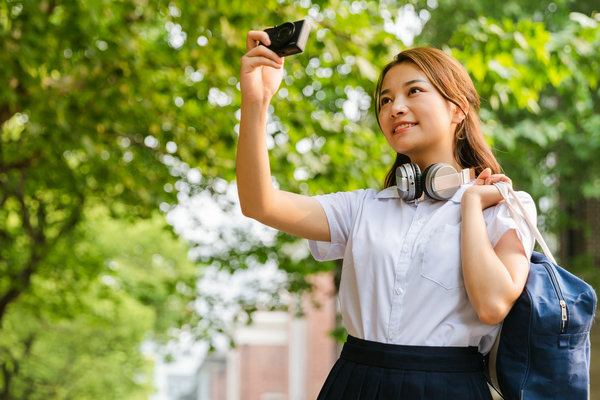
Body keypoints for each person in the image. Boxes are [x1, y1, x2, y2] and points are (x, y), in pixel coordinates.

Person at [237, 29, 536, 399]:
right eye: (385, 100)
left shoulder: (504, 205)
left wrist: (471, 205)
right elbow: (258, 203)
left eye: (414, 91)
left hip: (449, 387)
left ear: (457, 108)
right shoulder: (363, 208)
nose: (395, 107)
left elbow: (492, 305)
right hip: (355, 384)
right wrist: (256, 101)